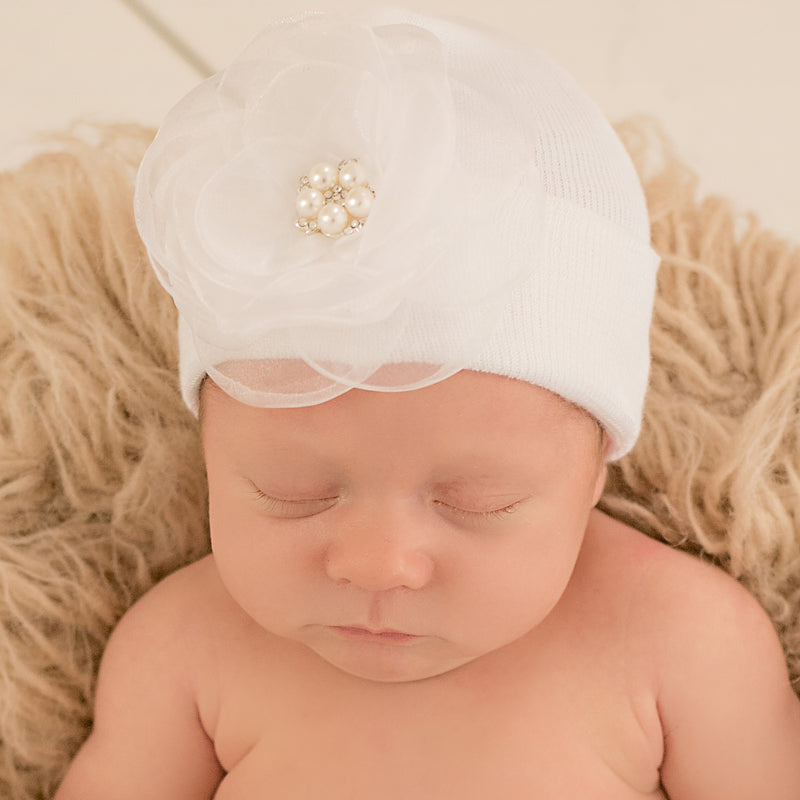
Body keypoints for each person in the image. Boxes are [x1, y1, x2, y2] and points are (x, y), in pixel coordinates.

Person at [54, 8, 800, 798]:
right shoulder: (184, 649)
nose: (379, 565)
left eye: (478, 501)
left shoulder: (679, 640)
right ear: (209, 456)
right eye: (289, 494)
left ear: (594, 475)